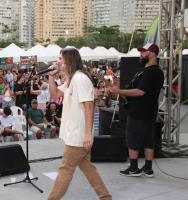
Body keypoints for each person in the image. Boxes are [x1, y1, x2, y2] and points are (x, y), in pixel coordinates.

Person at [47, 48, 111, 200]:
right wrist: (50, 77)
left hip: (79, 135)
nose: (58, 62)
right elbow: (55, 94)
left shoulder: (80, 79)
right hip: (76, 134)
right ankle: (105, 197)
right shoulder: (71, 79)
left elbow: (89, 106)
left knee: (65, 168)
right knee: (87, 167)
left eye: (60, 59)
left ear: (69, 60)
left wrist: (88, 133)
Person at [111, 43, 164, 177]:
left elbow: (140, 92)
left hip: (139, 112)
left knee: (132, 140)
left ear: (152, 54)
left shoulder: (151, 72)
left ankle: (134, 168)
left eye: (143, 52)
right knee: (148, 140)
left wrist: (119, 91)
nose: (140, 54)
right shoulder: (149, 71)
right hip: (149, 112)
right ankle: (148, 168)